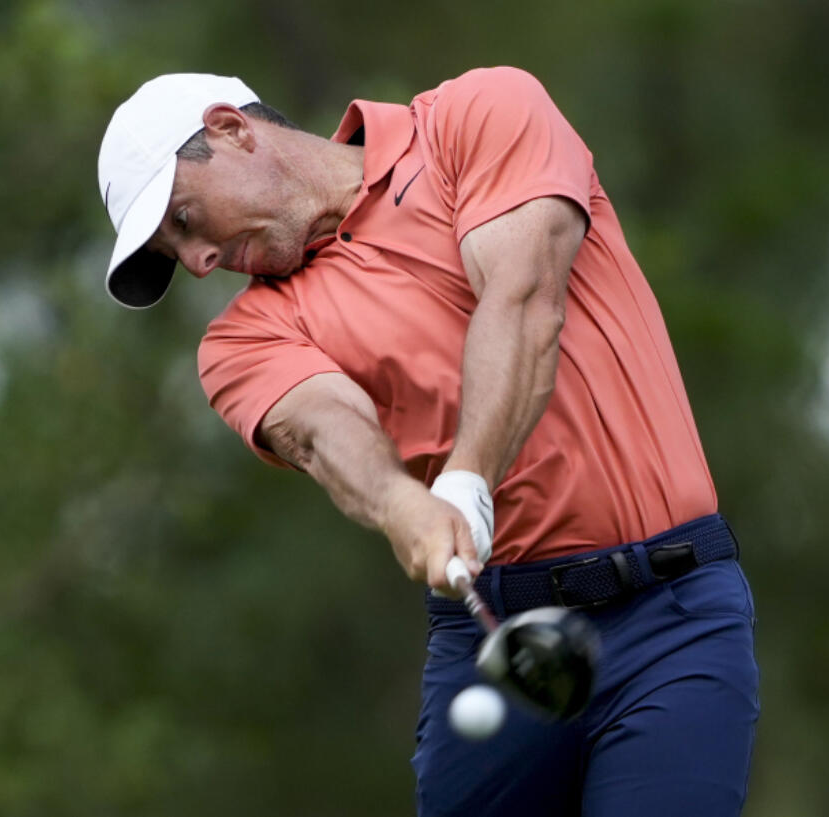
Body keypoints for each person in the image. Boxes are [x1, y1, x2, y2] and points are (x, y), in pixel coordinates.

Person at [96, 68, 759, 817]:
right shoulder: (243, 338)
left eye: (184, 220)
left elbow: (525, 300)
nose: (198, 261)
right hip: (491, 635)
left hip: (672, 616)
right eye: (174, 253)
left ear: (232, 129)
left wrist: (468, 478)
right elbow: (322, 428)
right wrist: (399, 503)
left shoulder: (475, 117)